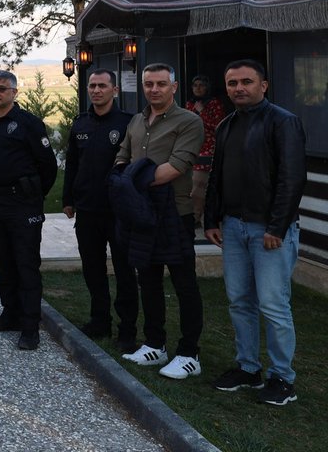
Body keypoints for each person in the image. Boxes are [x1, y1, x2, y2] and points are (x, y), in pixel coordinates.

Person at [205, 60, 306, 406]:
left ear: (263, 85)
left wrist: (277, 227)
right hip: (233, 227)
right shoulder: (226, 126)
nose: (239, 88)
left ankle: (283, 378)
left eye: (246, 81)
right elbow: (217, 176)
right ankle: (248, 368)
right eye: (232, 83)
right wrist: (211, 220)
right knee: (239, 301)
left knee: (273, 304)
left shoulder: (283, 122)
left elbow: (291, 179)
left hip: (269, 230)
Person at [115, 62, 205, 380]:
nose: (154, 89)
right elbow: (122, 158)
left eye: (161, 84)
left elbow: (175, 168)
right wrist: (129, 176)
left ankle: (189, 353)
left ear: (174, 87)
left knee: (184, 285)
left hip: (175, 215)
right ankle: (155, 343)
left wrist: (130, 180)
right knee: (148, 281)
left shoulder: (189, 122)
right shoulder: (137, 120)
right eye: (149, 84)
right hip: (143, 214)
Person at [0, 70, 58, 351]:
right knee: (3, 263)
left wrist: (33, 195)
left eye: (2, 88)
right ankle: (9, 314)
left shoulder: (28, 124)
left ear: (14, 92)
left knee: (26, 265)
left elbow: (48, 166)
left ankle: (29, 327)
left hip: (22, 204)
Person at [62, 68, 137, 351]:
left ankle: (127, 329)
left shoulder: (128, 123)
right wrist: (68, 198)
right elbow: (72, 164)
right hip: (87, 209)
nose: (96, 90)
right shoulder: (80, 124)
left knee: (124, 270)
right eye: (92, 86)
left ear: (114, 90)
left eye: (102, 86)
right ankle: (99, 320)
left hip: (117, 211)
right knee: (92, 268)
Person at [185, 75, 225, 234]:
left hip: (210, 151)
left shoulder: (215, 104)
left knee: (201, 187)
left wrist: (201, 114)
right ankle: (195, 218)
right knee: (193, 187)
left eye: (202, 85)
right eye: (195, 85)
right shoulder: (190, 103)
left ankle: (198, 218)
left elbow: (219, 126)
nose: (198, 88)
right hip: (193, 150)